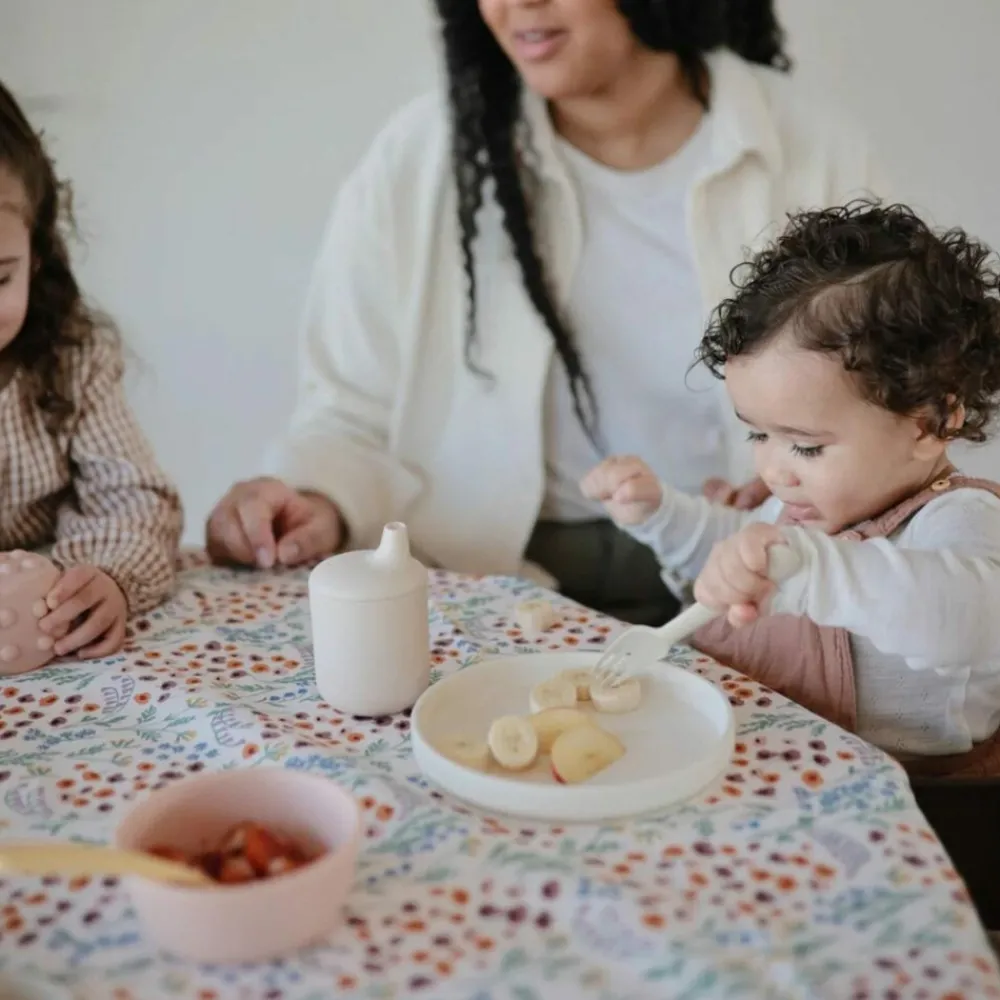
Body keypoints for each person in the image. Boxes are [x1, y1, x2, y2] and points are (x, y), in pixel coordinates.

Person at [206, 0, 888, 625]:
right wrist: (317, 501)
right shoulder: (420, 159)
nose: (517, 5)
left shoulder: (812, 149)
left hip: (748, 585)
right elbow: (347, 409)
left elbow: (891, 399)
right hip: (488, 587)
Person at [582, 199, 1000, 767]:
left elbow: (971, 625)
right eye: (758, 436)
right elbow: (734, 562)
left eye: (806, 445)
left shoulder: (959, 517)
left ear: (929, 422)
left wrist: (810, 570)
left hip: (896, 801)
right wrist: (662, 515)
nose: (774, 471)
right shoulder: (799, 504)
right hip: (759, 762)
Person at [0, 81, 183, 659]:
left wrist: (106, 578)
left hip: (53, 654)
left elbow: (136, 501)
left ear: (36, 251)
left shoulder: (72, 359)